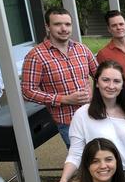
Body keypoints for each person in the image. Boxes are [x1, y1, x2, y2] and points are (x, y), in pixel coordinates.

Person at [54, 61, 125, 182]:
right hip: (104, 181)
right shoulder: (82, 115)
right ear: (97, 82)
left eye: (117, 81)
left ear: (123, 85)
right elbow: (75, 153)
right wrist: (64, 179)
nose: (111, 86)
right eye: (106, 80)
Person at [21, 8, 98, 148]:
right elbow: (28, 91)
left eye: (67, 24)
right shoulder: (35, 56)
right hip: (69, 123)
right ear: (47, 26)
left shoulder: (81, 49)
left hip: (93, 115)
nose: (64, 29)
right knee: (83, 162)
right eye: (57, 24)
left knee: (105, 158)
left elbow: (100, 75)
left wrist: (95, 94)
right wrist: (64, 99)